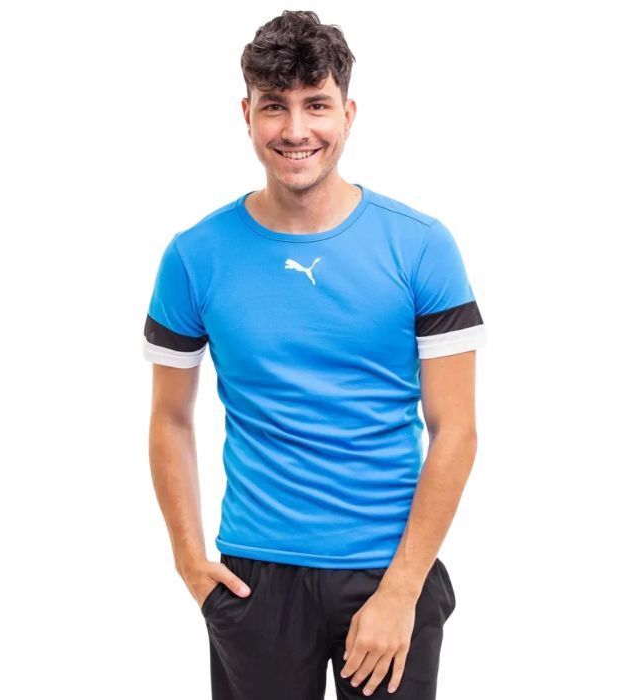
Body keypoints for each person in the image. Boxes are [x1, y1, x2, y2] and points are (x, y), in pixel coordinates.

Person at [142, 10, 486, 699]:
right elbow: (169, 418)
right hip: (255, 580)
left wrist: (402, 590)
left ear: (348, 114)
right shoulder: (194, 256)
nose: (296, 130)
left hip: (388, 572)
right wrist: (188, 561)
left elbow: (457, 430)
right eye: (275, 106)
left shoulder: (421, 247)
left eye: (317, 105)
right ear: (247, 113)